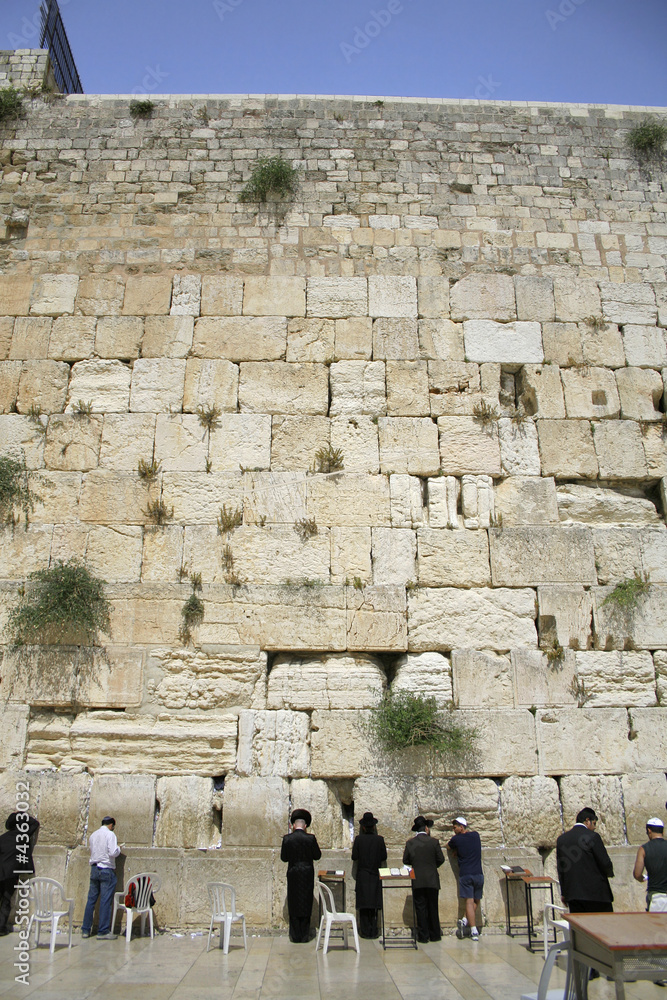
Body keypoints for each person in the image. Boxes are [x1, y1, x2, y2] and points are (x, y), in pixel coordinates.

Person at [556, 807, 614, 913]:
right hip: (597, 895)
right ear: (587, 821)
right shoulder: (593, 837)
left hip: (574, 895)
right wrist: (609, 873)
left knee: (579, 928)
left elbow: (561, 869)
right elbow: (605, 863)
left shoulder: (562, 840)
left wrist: (564, 893)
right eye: (594, 823)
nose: (595, 827)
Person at [280, 809, 321, 943]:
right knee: (306, 901)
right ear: (305, 826)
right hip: (307, 873)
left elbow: (284, 858)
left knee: (294, 902)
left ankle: (295, 935)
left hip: (293, 873)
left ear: (293, 825)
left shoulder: (287, 838)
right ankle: (304, 935)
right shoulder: (310, 838)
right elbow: (317, 855)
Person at [403, 815, 444, 943]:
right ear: (426, 828)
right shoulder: (434, 842)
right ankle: (435, 934)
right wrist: (432, 867)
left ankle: (423, 935)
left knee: (420, 908)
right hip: (432, 879)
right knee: (433, 907)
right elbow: (441, 859)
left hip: (418, 880)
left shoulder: (410, 843)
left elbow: (406, 860)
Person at [81, 816, 122, 940]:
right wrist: (119, 849)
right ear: (111, 825)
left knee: (91, 900)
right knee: (105, 900)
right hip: (106, 869)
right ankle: (103, 931)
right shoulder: (110, 835)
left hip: (94, 869)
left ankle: (85, 930)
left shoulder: (93, 835)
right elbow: (113, 852)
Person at [0, 812, 40, 936]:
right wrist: (22, 814)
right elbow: (35, 823)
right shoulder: (23, 835)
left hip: (1, 872)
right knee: (6, 900)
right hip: (10, 875)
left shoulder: (3, 837)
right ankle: (1, 928)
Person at [447, 816, 483, 941]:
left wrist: (456, 851)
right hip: (478, 873)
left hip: (466, 874)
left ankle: (473, 929)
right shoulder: (476, 835)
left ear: (461, 827)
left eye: (455, 827)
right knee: (476, 900)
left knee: (469, 901)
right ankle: (465, 919)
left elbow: (448, 846)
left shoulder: (456, 840)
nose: (454, 830)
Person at [352, 811, 387, 939]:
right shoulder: (379, 840)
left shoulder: (359, 840)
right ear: (373, 827)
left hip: (362, 875)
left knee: (363, 904)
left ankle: (365, 931)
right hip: (374, 875)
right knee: (374, 904)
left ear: (363, 827)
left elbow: (354, 856)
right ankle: (374, 931)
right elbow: (384, 856)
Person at [633, 817, 667, 912]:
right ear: (662, 832)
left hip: (656, 897)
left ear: (649, 830)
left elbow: (637, 874)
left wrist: (643, 878)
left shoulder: (644, 849)